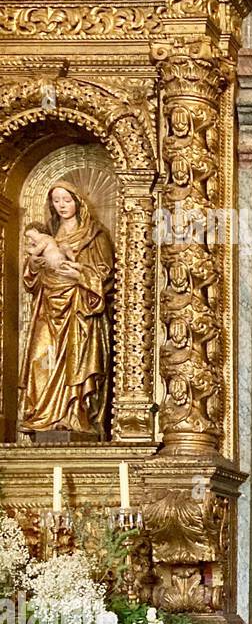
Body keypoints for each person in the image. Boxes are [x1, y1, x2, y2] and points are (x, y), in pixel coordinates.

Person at [19, 182, 114, 437]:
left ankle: (74, 417)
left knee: (77, 362)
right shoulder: (47, 234)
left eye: (66, 200)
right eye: (56, 201)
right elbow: (30, 279)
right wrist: (35, 266)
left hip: (78, 309)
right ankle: (44, 417)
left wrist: (79, 273)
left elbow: (105, 274)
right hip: (48, 308)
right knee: (41, 358)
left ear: (78, 202)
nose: (61, 205)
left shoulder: (94, 235)